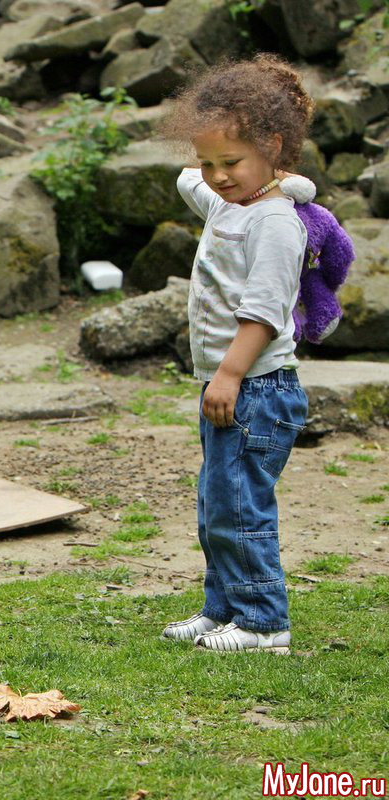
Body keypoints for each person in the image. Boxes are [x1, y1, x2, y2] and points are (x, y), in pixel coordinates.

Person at [158, 54, 314, 653]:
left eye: (233, 162)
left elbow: (265, 312)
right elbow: (186, 181)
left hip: (254, 387)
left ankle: (262, 620)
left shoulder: (274, 222)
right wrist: (245, 167)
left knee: (240, 504)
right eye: (209, 162)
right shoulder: (232, 202)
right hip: (228, 387)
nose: (217, 176)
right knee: (216, 503)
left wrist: (227, 374)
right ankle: (222, 607)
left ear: (273, 146)